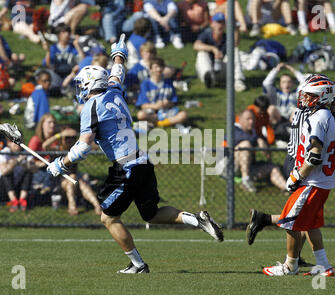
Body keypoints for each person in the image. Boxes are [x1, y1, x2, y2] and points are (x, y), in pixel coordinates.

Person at [46, 37, 224, 274]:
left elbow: (83, 147)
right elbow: (117, 69)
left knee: (108, 218)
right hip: (142, 160)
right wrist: (118, 53)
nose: (80, 89)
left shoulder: (90, 107)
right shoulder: (114, 89)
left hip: (126, 167)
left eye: (82, 84)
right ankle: (196, 220)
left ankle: (138, 265)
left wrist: (62, 164)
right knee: (151, 214)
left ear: (90, 84)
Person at [247, 75, 335, 268]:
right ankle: (295, 259)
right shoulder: (315, 113)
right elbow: (316, 146)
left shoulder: (314, 112)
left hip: (305, 163)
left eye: (308, 95)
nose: (304, 98)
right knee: (299, 216)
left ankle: (290, 254)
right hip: (300, 162)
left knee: (302, 216)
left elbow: (320, 143)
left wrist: (334, 114)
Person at [232, 109, 286, 193]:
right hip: (233, 169)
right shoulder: (234, 130)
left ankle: (287, 188)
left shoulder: (254, 132)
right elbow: (247, 140)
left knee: (273, 168)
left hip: (250, 167)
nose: (251, 121)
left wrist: (261, 141)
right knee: (246, 145)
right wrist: (258, 140)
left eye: (253, 119)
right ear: (240, 120)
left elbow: (267, 144)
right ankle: (245, 180)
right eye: (248, 119)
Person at [193, 12, 246, 92]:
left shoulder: (226, 37)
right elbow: (196, 45)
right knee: (201, 53)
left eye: (222, 23)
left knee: (235, 49)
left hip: (221, 68)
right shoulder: (206, 34)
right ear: (212, 24)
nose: (220, 25)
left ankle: (238, 81)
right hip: (208, 69)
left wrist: (236, 29)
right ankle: (209, 79)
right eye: (218, 22)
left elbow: (235, 43)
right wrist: (213, 49)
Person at [57, 127, 102, 216]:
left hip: (75, 181)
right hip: (60, 182)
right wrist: (59, 135)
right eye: (67, 138)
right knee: (74, 178)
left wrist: (77, 136)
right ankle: (93, 205)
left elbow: (95, 146)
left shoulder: (75, 150)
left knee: (80, 181)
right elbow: (45, 145)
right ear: (62, 139)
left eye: (72, 138)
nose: (69, 140)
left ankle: (96, 206)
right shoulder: (57, 149)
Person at [136, 57, 189, 131]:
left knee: (184, 115)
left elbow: (174, 102)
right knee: (140, 115)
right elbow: (143, 105)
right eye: (155, 67)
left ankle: (159, 123)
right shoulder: (145, 84)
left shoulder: (169, 82)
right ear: (150, 69)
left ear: (163, 68)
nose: (158, 69)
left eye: (161, 67)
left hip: (167, 112)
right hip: (152, 113)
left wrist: (168, 103)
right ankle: (163, 122)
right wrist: (155, 106)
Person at [262, 62, 306, 144]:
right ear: (280, 84)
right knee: (271, 108)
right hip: (278, 118)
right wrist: (276, 70)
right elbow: (266, 83)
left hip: (291, 120)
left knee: (297, 109)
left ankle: (293, 134)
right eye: (284, 82)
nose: (286, 85)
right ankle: (267, 133)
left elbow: (304, 82)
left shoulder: (296, 93)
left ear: (292, 83)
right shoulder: (275, 93)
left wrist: (292, 70)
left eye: (289, 82)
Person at [0, 138, 33, 212]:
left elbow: (34, 169)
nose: (17, 144)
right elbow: (4, 171)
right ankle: (13, 201)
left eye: (19, 141)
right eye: (14, 142)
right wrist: (17, 161)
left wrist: (24, 164)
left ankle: (22, 200)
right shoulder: (5, 151)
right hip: (2, 189)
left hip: (17, 188)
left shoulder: (26, 151)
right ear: (8, 143)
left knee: (28, 171)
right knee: (8, 172)